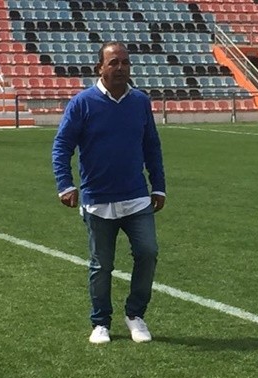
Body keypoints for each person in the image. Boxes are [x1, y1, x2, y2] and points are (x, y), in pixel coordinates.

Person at [51, 42, 166, 344]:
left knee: (148, 253)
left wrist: (158, 185)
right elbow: (62, 146)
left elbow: (151, 146)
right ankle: (100, 322)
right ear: (99, 67)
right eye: (113, 63)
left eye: (125, 63)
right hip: (98, 201)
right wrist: (65, 184)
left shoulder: (140, 102)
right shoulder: (82, 103)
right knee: (101, 266)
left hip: (136, 197)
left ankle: (135, 315)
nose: (120, 68)